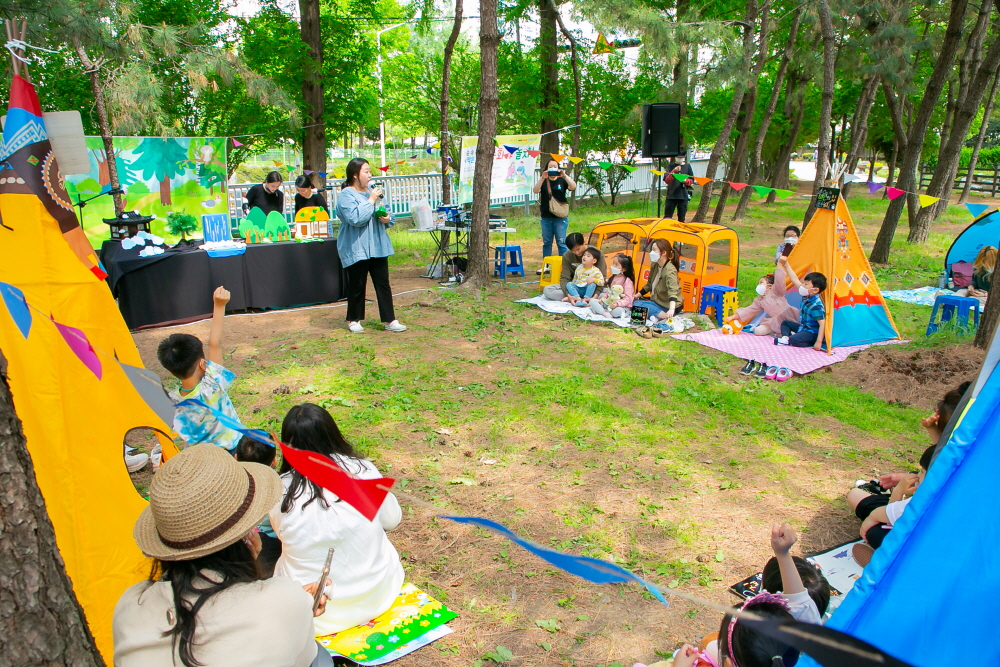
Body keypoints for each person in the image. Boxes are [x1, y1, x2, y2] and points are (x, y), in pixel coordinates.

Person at [112, 444, 333, 667]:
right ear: (245, 536)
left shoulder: (129, 607)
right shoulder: (283, 599)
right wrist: (300, 602)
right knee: (320, 659)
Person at [271, 403, 404, 636]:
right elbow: (392, 520)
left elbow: (281, 535)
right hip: (381, 595)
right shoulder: (363, 470)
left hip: (315, 614)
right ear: (332, 435)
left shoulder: (279, 491)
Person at [158, 287, 241, 452]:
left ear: (171, 372)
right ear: (203, 364)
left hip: (203, 462)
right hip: (234, 450)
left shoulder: (171, 402)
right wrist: (219, 305)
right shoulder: (212, 386)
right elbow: (215, 343)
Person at [335, 157, 406, 334]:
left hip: (378, 245)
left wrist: (387, 218)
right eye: (365, 171)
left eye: (369, 171)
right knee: (357, 283)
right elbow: (355, 219)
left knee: (383, 283)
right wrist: (371, 200)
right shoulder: (347, 195)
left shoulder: (374, 192)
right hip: (356, 246)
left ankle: (390, 319)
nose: (369, 175)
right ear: (354, 174)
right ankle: (353, 319)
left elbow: (390, 215)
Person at [235, 435, 281, 577]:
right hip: (278, 542)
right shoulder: (281, 486)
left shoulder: (230, 488)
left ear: (236, 458)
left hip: (246, 544)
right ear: (274, 461)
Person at [726, 264, 799, 336]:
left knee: (788, 329)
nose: (759, 285)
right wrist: (734, 317)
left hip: (786, 318)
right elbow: (749, 310)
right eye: (758, 283)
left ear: (770, 286)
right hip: (774, 321)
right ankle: (778, 333)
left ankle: (787, 333)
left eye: (761, 282)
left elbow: (780, 280)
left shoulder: (776, 293)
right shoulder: (760, 300)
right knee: (758, 331)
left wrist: (780, 265)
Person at [533, 157, 577, 268]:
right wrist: (542, 178)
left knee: (561, 242)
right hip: (546, 216)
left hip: (560, 217)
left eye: (555, 166)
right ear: (546, 168)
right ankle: (546, 266)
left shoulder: (562, 180)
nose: (553, 168)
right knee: (547, 242)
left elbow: (573, 186)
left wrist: (564, 175)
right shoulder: (544, 180)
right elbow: (535, 190)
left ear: (558, 168)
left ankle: (564, 266)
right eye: (550, 166)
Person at [775, 256, 826, 350]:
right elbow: (794, 279)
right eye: (803, 283)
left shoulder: (816, 305)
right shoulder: (806, 294)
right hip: (803, 327)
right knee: (785, 323)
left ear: (815, 290)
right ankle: (786, 338)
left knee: (795, 340)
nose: (802, 285)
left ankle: (793, 339)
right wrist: (786, 264)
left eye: (806, 284)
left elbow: (822, 323)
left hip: (812, 332)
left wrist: (818, 342)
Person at [542, 232, 608, 301]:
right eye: (573, 251)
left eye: (578, 249)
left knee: (609, 293)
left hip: (592, 288)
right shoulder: (567, 256)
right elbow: (565, 278)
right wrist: (569, 295)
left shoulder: (597, 253)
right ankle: (575, 298)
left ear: (584, 242)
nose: (577, 253)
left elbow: (602, 279)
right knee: (548, 290)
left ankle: (586, 298)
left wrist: (594, 297)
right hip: (575, 288)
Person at [634, 238, 682, 324]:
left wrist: (671, 309)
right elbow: (649, 284)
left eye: (654, 250)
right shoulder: (655, 265)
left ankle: (665, 316)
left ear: (664, 253)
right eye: (651, 250)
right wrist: (635, 296)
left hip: (668, 305)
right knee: (635, 303)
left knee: (639, 307)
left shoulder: (670, 271)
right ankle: (657, 316)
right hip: (657, 301)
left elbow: (673, 291)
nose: (651, 253)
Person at [663, 155, 694, 222]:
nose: (679, 159)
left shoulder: (688, 166)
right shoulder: (670, 166)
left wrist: (686, 181)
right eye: (678, 157)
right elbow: (666, 180)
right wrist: (674, 171)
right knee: (667, 217)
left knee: (681, 218)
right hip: (671, 195)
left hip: (683, 195)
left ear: (684, 157)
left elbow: (691, 180)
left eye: (681, 157)